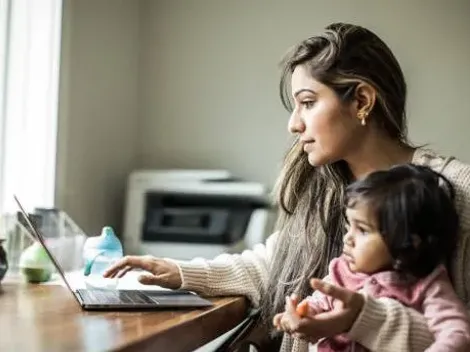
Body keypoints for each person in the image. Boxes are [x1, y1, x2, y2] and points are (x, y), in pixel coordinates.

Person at [103, 22, 470, 352]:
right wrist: (181, 272)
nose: (294, 125)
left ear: (361, 100)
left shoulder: (459, 192)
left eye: (307, 103)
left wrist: (365, 320)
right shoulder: (325, 189)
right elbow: (274, 265)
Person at [273, 164, 470, 351]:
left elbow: (458, 334)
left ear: (409, 241)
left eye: (363, 230)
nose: (347, 238)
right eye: (349, 226)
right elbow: (319, 302)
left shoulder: (428, 285)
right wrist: (304, 314)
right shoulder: (342, 271)